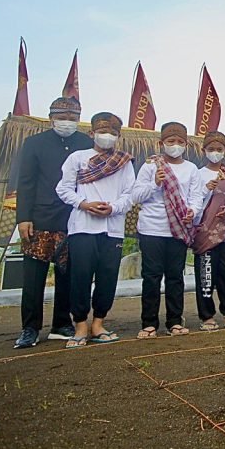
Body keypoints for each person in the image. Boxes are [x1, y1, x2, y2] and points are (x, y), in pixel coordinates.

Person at [13, 96, 92, 349]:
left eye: (73, 118)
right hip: (39, 218)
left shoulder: (86, 144)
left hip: (73, 218)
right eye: (62, 118)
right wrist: (23, 217)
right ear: (51, 118)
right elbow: (25, 182)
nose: (67, 122)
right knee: (33, 277)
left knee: (68, 275)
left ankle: (62, 323)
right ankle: (30, 328)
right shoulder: (34, 144)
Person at [55, 112, 135, 347]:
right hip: (83, 226)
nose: (107, 136)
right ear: (92, 133)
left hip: (112, 228)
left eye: (112, 133)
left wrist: (113, 208)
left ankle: (98, 323)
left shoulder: (124, 162)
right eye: (103, 131)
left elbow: (130, 194)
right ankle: (80, 325)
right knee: (79, 276)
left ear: (118, 136)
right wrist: (84, 203)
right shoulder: (77, 158)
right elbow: (63, 189)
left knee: (108, 277)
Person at [131, 122, 205, 339]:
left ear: (186, 144)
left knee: (175, 277)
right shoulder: (151, 166)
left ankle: (174, 321)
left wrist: (192, 211)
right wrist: (154, 183)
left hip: (179, 229)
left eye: (180, 142)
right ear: (161, 143)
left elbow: (196, 196)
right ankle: (149, 323)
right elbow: (136, 196)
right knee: (151, 276)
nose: (175, 145)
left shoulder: (191, 169)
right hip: (152, 228)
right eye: (171, 142)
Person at [193, 131, 225, 331]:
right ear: (204, 150)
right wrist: (206, 189)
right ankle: (207, 316)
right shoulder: (197, 174)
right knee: (206, 275)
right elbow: (192, 204)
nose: (215, 153)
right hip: (205, 233)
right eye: (211, 149)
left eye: (219, 149)